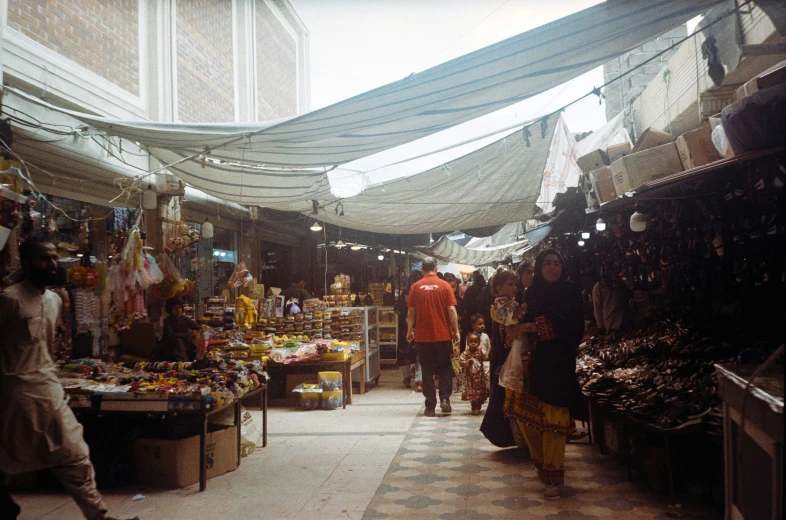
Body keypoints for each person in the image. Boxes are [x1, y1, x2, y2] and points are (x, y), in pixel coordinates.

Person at [0, 237, 137, 520]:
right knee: (6, 459)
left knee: (74, 452)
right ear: (26, 264)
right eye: (43, 259)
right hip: (14, 395)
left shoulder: (54, 300)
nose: (51, 264)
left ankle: (97, 515)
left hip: (49, 391)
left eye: (53, 258)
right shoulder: (9, 300)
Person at [506, 248, 584, 499]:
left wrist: (533, 326)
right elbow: (519, 327)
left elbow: (575, 327)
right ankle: (541, 463)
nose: (552, 267)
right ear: (539, 267)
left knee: (555, 419)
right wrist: (511, 322)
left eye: (557, 263)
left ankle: (553, 475)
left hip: (560, 360)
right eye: (547, 263)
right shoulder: (532, 292)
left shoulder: (571, 291)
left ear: (563, 267)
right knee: (527, 417)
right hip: (534, 362)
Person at [406, 256, 460, 417]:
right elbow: (451, 310)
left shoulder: (415, 287)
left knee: (427, 371)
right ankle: (445, 399)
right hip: (443, 335)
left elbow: (411, 311)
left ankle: (430, 406)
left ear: (422, 270)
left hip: (422, 338)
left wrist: (410, 330)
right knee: (445, 369)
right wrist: (456, 330)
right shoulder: (445, 286)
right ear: (436, 269)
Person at [396, 270, 424, 390]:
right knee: (418, 354)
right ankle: (419, 381)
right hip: (418, 328)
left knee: (405, 354)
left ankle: (407, 378)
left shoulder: (404, 294)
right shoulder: (421, 292)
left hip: (405, 330)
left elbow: (397, 309)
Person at [591, 268, 632, 334]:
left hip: (623, 319)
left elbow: (626, 295)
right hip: (610, 323)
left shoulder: (617, 283)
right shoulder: (598, 288)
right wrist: (600, 326)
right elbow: (597, 307)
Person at [158, 297, 199, 361]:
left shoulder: (184, 319)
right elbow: (171, 335)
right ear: (169, 310)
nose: (178, 310)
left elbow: (196, 327)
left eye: (179, 307)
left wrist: (196, 334)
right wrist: (188, 334)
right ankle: (185, 364)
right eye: (174, 308)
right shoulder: (167, 321)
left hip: (184, 345)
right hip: (170, 346)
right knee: (178, 341)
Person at [460, 332, 489, 415]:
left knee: (480, 393)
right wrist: (467, 363)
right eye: (471, 341)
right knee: (473, 393)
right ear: (467, 342)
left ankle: (478, 403)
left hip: (480, 377)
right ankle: (474, 406)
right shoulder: (465, 354)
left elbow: (486, 357)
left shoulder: (481, 352)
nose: (473, 343)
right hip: (470, 378)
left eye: (475, 341)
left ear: (479, 343)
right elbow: (461, 362)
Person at [469, 314, 491, 388]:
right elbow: (467, 349)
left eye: (483, 324)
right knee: (476, 378)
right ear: (473, 326)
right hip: (475, 362)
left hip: (485, 361)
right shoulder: (470, 337)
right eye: (479, 324)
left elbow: (489, 347)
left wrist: (488, 356)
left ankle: (487, 391)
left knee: (487, 376)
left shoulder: (485, 336)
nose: (482, 326)